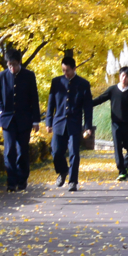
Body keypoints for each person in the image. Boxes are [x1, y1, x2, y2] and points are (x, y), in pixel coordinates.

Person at [46, 56, 93, 192]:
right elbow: (51, 103)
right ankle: (63, 171)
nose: (65, 73)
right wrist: (48, 122)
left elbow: (88, 107)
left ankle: (73, 181)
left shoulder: (83, 84)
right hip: (59, 122)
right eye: (63, 70)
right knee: (56, 152)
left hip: (74, 123)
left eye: (67, 70)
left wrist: (88, 126)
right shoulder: (56, 82)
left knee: (74, 153)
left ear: (74, 68)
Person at [0, 48, 40, 192]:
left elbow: (34, 98)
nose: (12, 68)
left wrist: (35, 120)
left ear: (19, 62)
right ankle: (11, 181)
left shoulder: (28, 75)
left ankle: (22, 180)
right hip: (7, 119)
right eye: (9, 65)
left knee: (22, 150)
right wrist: (1, 111)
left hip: (24, 119)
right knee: (9, 151)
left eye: (14, 65)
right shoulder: (2, 76)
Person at [93, 66, 128, 180]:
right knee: (117, 147)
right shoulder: (112, 90)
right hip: (116, 124)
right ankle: (121, 170)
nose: (124, 78)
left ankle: (126, 167)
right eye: (122, 75)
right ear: (119, 76)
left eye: (127, 76)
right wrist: (86, 104)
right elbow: (100, 99)